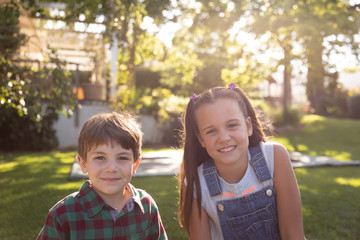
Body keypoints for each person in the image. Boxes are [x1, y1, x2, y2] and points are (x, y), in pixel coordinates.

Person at [178, 83, 304, 239]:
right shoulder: (195, 184)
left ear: (248, 126)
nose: (224, 138)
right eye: (211, 131)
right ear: (200, 139)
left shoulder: (275, 157)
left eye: (232, 125)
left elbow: (293, 235)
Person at [37, 111, 168, 240]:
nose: (111, 168)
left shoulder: (147, 206)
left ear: (135, 165)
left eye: (122, 158)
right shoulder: (63, 214)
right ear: (83, 164)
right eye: (100, 157)